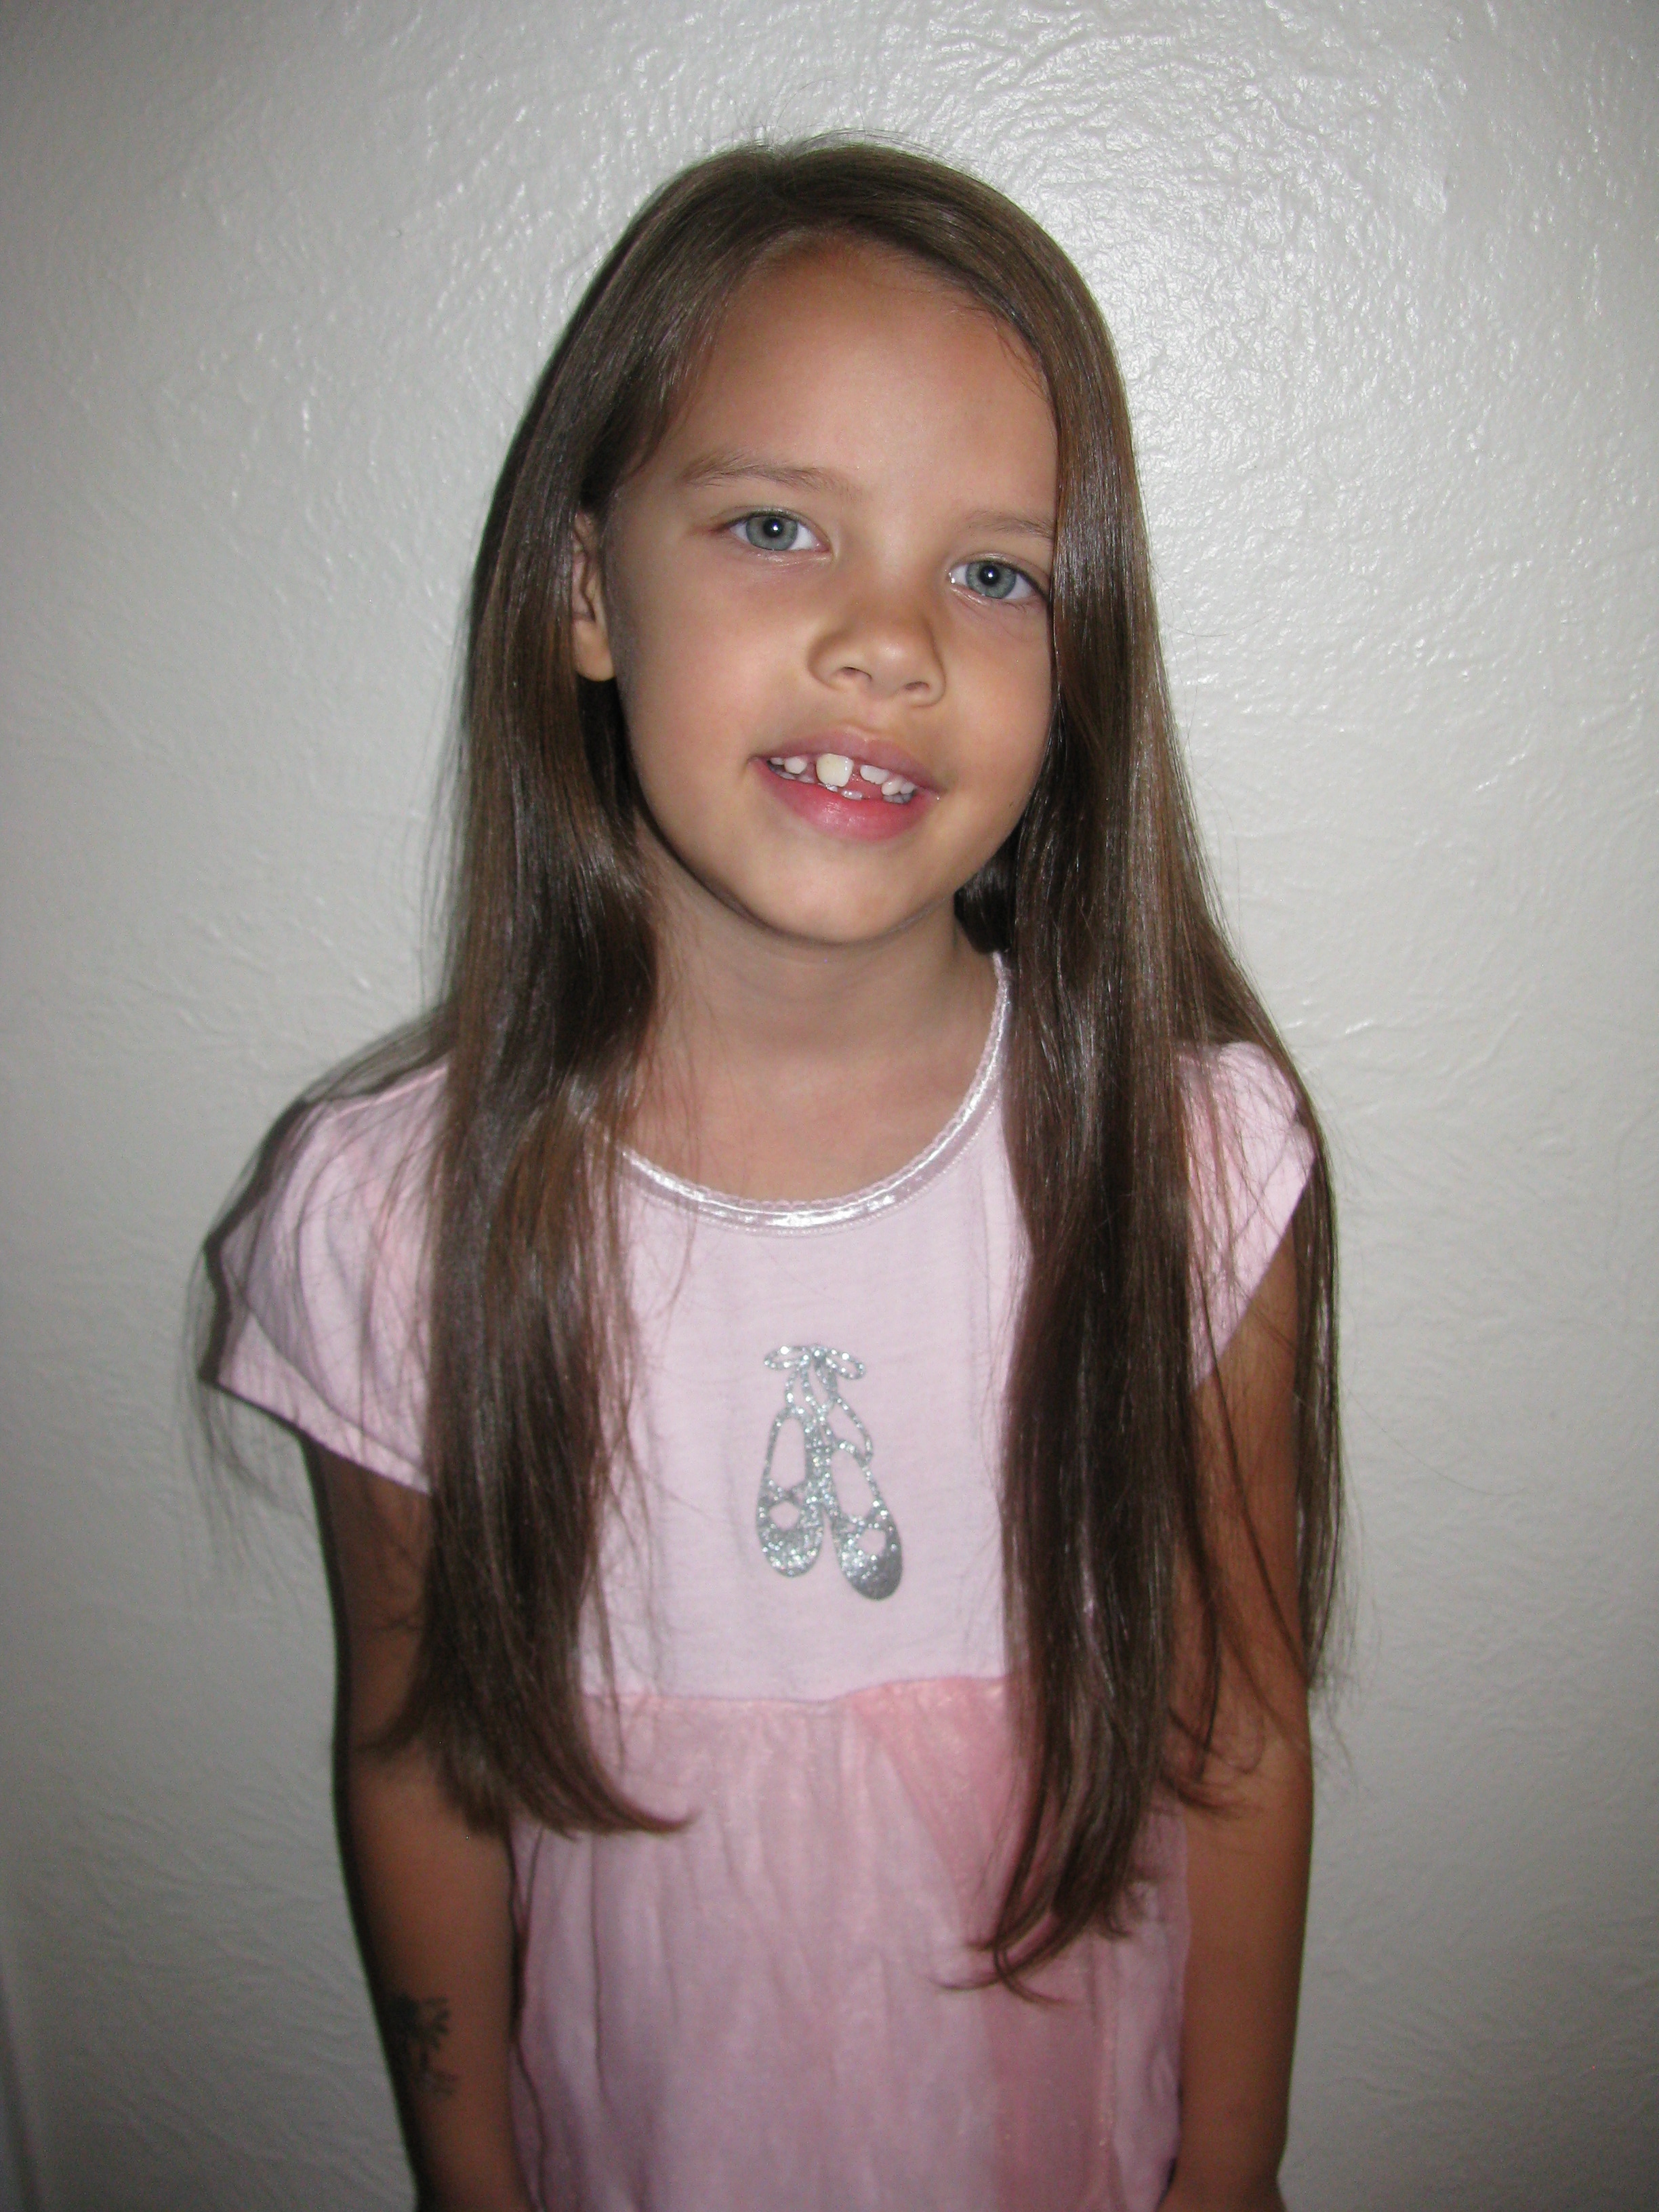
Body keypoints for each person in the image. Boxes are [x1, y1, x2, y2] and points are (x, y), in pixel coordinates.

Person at [203, 139, 1340, 2212]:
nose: (887, 642)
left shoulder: (1184, 1174)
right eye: (777, 527)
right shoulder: (395, 1229)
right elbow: (421, 1760)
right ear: (583, 594)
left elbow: (1241, 1729)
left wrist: (1235, 2173)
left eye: (995, 574)